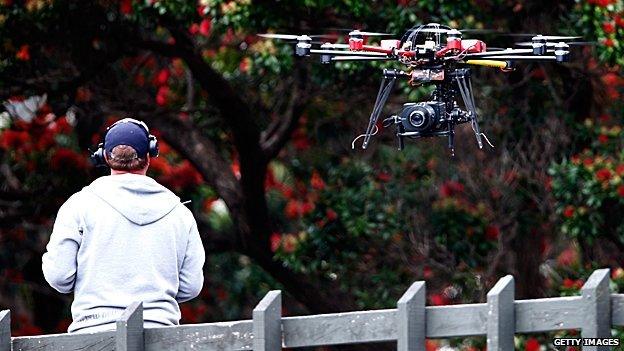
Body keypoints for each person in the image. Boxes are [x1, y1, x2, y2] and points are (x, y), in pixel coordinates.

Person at [42, 118, 205, 333]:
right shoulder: (180, 213)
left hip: (93, 337)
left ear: (105, 157)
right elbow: (191, 286)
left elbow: (59, 277)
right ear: (149, 155)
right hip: (161, 335)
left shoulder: (79, 206)